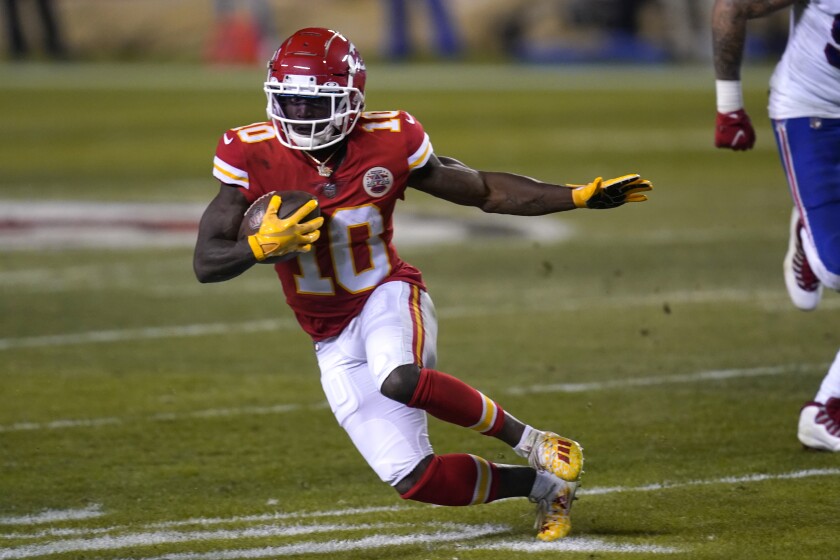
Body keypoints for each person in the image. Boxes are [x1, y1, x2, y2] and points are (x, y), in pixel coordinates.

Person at [194, 27, 653, 540]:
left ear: (350, 100)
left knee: (399, 378)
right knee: (415, 479)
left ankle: (534, 441)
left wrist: (577, 195)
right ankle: (546, 488)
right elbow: (206, 262)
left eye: (312, 102)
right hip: (328, 335)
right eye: (289, 100)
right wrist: (254, 248)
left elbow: (483, 191)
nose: (299, 114)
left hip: (385, 293)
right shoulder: (248, 152)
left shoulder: (392, 139)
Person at [712, 0, 840, 451]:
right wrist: (729, 107)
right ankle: (810, 237)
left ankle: (829, 409)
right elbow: (732, 7)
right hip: (814, 113)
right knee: (837, 270)